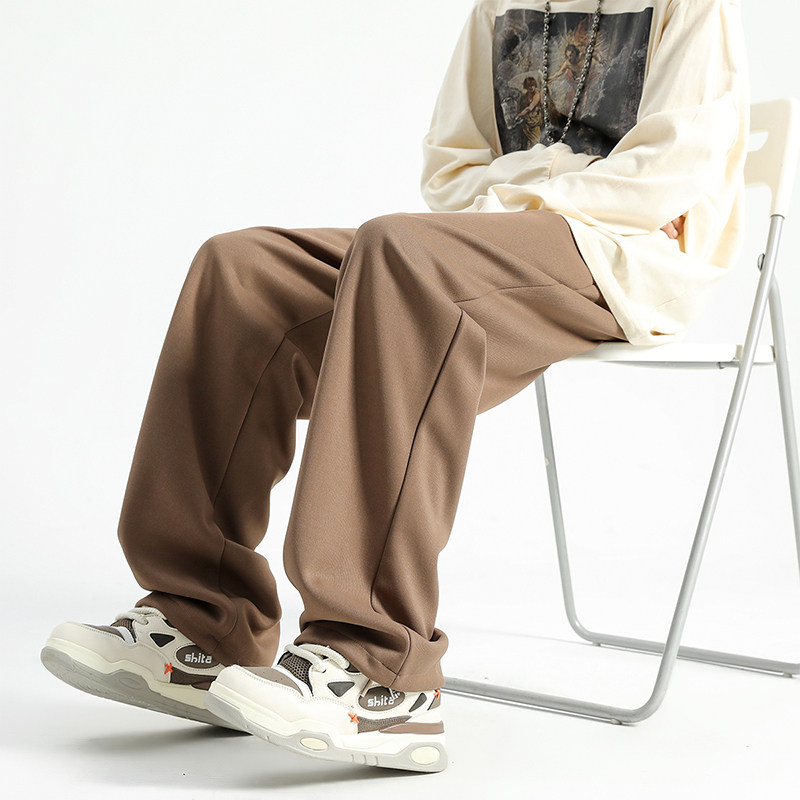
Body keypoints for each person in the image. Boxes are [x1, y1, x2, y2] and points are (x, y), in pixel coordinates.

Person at [41, 0, 749, 775]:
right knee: (241, 270)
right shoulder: (500, 9)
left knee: (403, 252)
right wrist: (519, 200)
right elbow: (449, 170)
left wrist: (509, 195)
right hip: (488, 242)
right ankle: (202, 621)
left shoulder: (690, 6)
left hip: (626, 258)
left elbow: (665, 177)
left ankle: (380, 669)